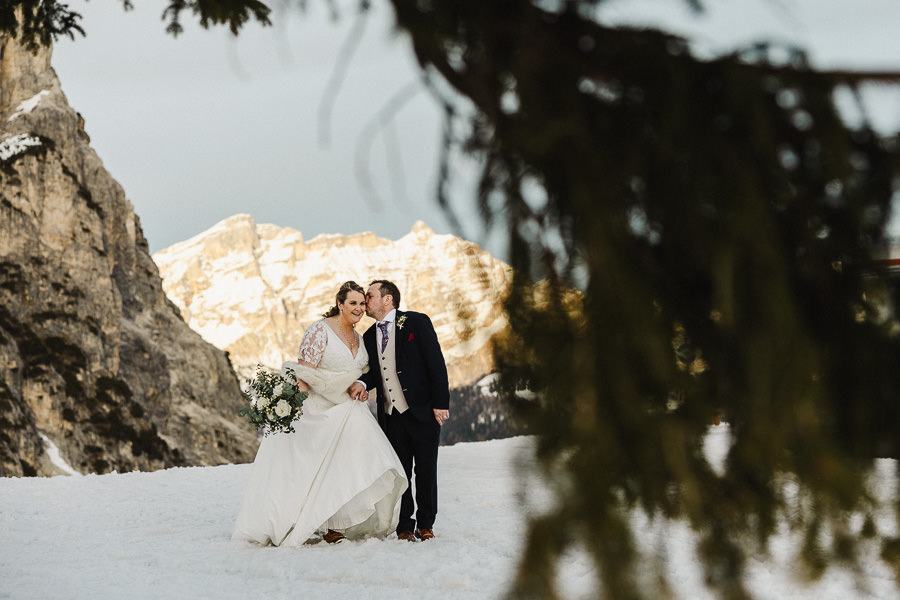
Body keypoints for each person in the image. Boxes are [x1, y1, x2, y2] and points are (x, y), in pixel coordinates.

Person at [232, 281, 408, 546]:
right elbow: (304, 372)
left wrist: (361, 387)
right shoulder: (320, 330)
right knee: (316, 471)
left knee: (352, 464)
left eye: (362, 303)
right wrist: (298, 405)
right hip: (320, 411)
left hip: (349, 409)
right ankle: (317, 523)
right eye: (353, 303)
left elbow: (364, 374)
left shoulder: (361, 338)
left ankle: (339, 524)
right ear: (339, 304)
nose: (359, 308)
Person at [350, 280, 450, 542]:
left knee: (426, 470)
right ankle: (404, 526)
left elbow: (435, 362)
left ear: (387, 299)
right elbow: (375, 372)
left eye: (369, 296)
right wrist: (362, 382)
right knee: (400, 473)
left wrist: (441, 403)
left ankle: (426, 524)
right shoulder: (369, 336)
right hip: (391, 416)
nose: (365, 301)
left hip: (423, 411)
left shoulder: (416, 322)